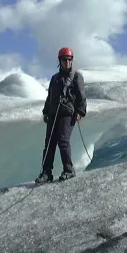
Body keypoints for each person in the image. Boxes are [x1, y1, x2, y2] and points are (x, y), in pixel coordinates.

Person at [35, 47, 87, 184]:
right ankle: (46, 173)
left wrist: (80, 111)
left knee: (63, 140)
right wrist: (46, 111)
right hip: (53, 113)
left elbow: (82, 96)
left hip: (67, 114)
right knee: (49, 143)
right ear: (60, 61)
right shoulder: (54, 79)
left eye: (69, 60)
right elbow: (50, 97)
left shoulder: (76, 77)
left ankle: (69, 170)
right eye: (64, 60)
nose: (67, 62)